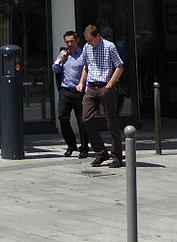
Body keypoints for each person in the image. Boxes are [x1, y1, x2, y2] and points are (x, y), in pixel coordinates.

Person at [78, 24, 125, 168]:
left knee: (111, 122)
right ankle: (100, 152)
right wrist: (81, 82)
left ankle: (117, 156)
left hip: (105, 86)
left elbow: (119, 66)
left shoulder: (109, 46)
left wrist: (110, 85)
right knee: (85, 118)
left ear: (98, 36)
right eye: (87, 40)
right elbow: (86, 66)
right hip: (91, 87)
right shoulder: (87, 47)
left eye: (91, 39)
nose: (88, 42)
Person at [52, 30, 89, 158]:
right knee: (62, 117)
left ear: (77, 41)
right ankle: (71, 145)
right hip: (65, 91)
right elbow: (55, 69)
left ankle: (84, 147)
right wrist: (61, 60)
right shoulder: (63, 54)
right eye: (67, 42)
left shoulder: (83, 54)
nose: (69, 44)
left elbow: (87, 70)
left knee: (82, 121)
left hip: (79, 92)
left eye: (72, 41)